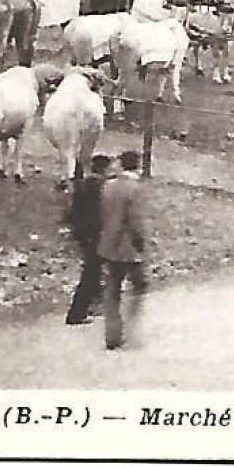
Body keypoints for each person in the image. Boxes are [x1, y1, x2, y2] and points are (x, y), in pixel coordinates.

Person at [98, 149, 151, 351]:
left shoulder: (108, 186)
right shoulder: (136, 189)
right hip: (130, 247)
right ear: (136, 166)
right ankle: (132, 329)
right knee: (140, 286)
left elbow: (103, 215)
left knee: (112, 287)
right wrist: (142, 243)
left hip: (110, 245)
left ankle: (112, 333)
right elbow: (136, 220)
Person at [65, 153, 114, 326]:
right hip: (96, 233)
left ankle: (92, 304)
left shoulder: (82, 185)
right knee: (91, 272)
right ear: (104, 169)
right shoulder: (100, 186)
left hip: (84, 233)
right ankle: (78, 312)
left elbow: (72, 211)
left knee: (93, 270)